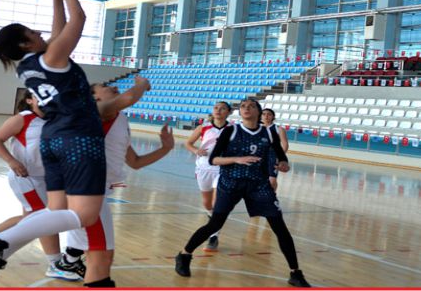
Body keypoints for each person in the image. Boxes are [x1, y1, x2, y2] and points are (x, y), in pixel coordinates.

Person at [0, 0, 113, 288]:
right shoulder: (51, 58)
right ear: (24, 43)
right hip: (78, 138)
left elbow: (57, 33)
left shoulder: (29, 66)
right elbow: (79, 20)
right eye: (33, 32)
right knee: (85, 214)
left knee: (57, 209)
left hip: (52, 140)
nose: (40, 32)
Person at [174, 98, 311, 288]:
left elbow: (281, 156)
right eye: (243, 106)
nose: (246, 108)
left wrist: (283, 164)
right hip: (231, 183)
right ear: (240, 112)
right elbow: (214, 159)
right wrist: (236, 159)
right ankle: (184, 255)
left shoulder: (268, 133)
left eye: (251, 106)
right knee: (215, 223)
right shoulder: (231, 130)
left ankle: (295, 273)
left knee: (280, 228)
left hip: (258, 185)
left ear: (258, 112)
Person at [57, 80, 173, 282]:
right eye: (105, 86)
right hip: (86, 192)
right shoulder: (96, 110)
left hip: (94, 193)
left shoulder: (120, 120)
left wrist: (166, 148)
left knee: (100, 256)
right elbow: (129, 97)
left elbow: (135, 162)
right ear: (94, 97)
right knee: (101, 258)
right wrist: (143, 84)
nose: (114, 87)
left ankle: (68, 260)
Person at [0, 92, 82, 282]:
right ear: (29, 100)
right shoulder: (23, 119)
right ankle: (55, 264)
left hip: (47, 179)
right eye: (39, 96)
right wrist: (11, 161)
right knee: (46, 218)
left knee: (31, 219)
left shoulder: (56, 120)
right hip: (26, 178)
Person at [183, 101, 232, 251]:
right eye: (216, 108)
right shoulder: (203, 127)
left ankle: (213, 236)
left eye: (222, 108)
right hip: (204, 167)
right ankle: (212, 219)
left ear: (228, 112)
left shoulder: (233, 128)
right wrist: (196, 150)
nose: (218, 110)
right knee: (207, 204)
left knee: (218, 203)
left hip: (222, 168)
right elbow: (188, 143)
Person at [261, 108, 289, 192]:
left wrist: (280, 158)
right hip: (259, 156)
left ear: (273, 117)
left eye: (269, 114)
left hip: (272, 156)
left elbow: (285, 144)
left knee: (272, 180)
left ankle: (272, 196)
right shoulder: (257, 128)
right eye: (264, 114)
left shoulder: (279, 129)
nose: (266, 116)